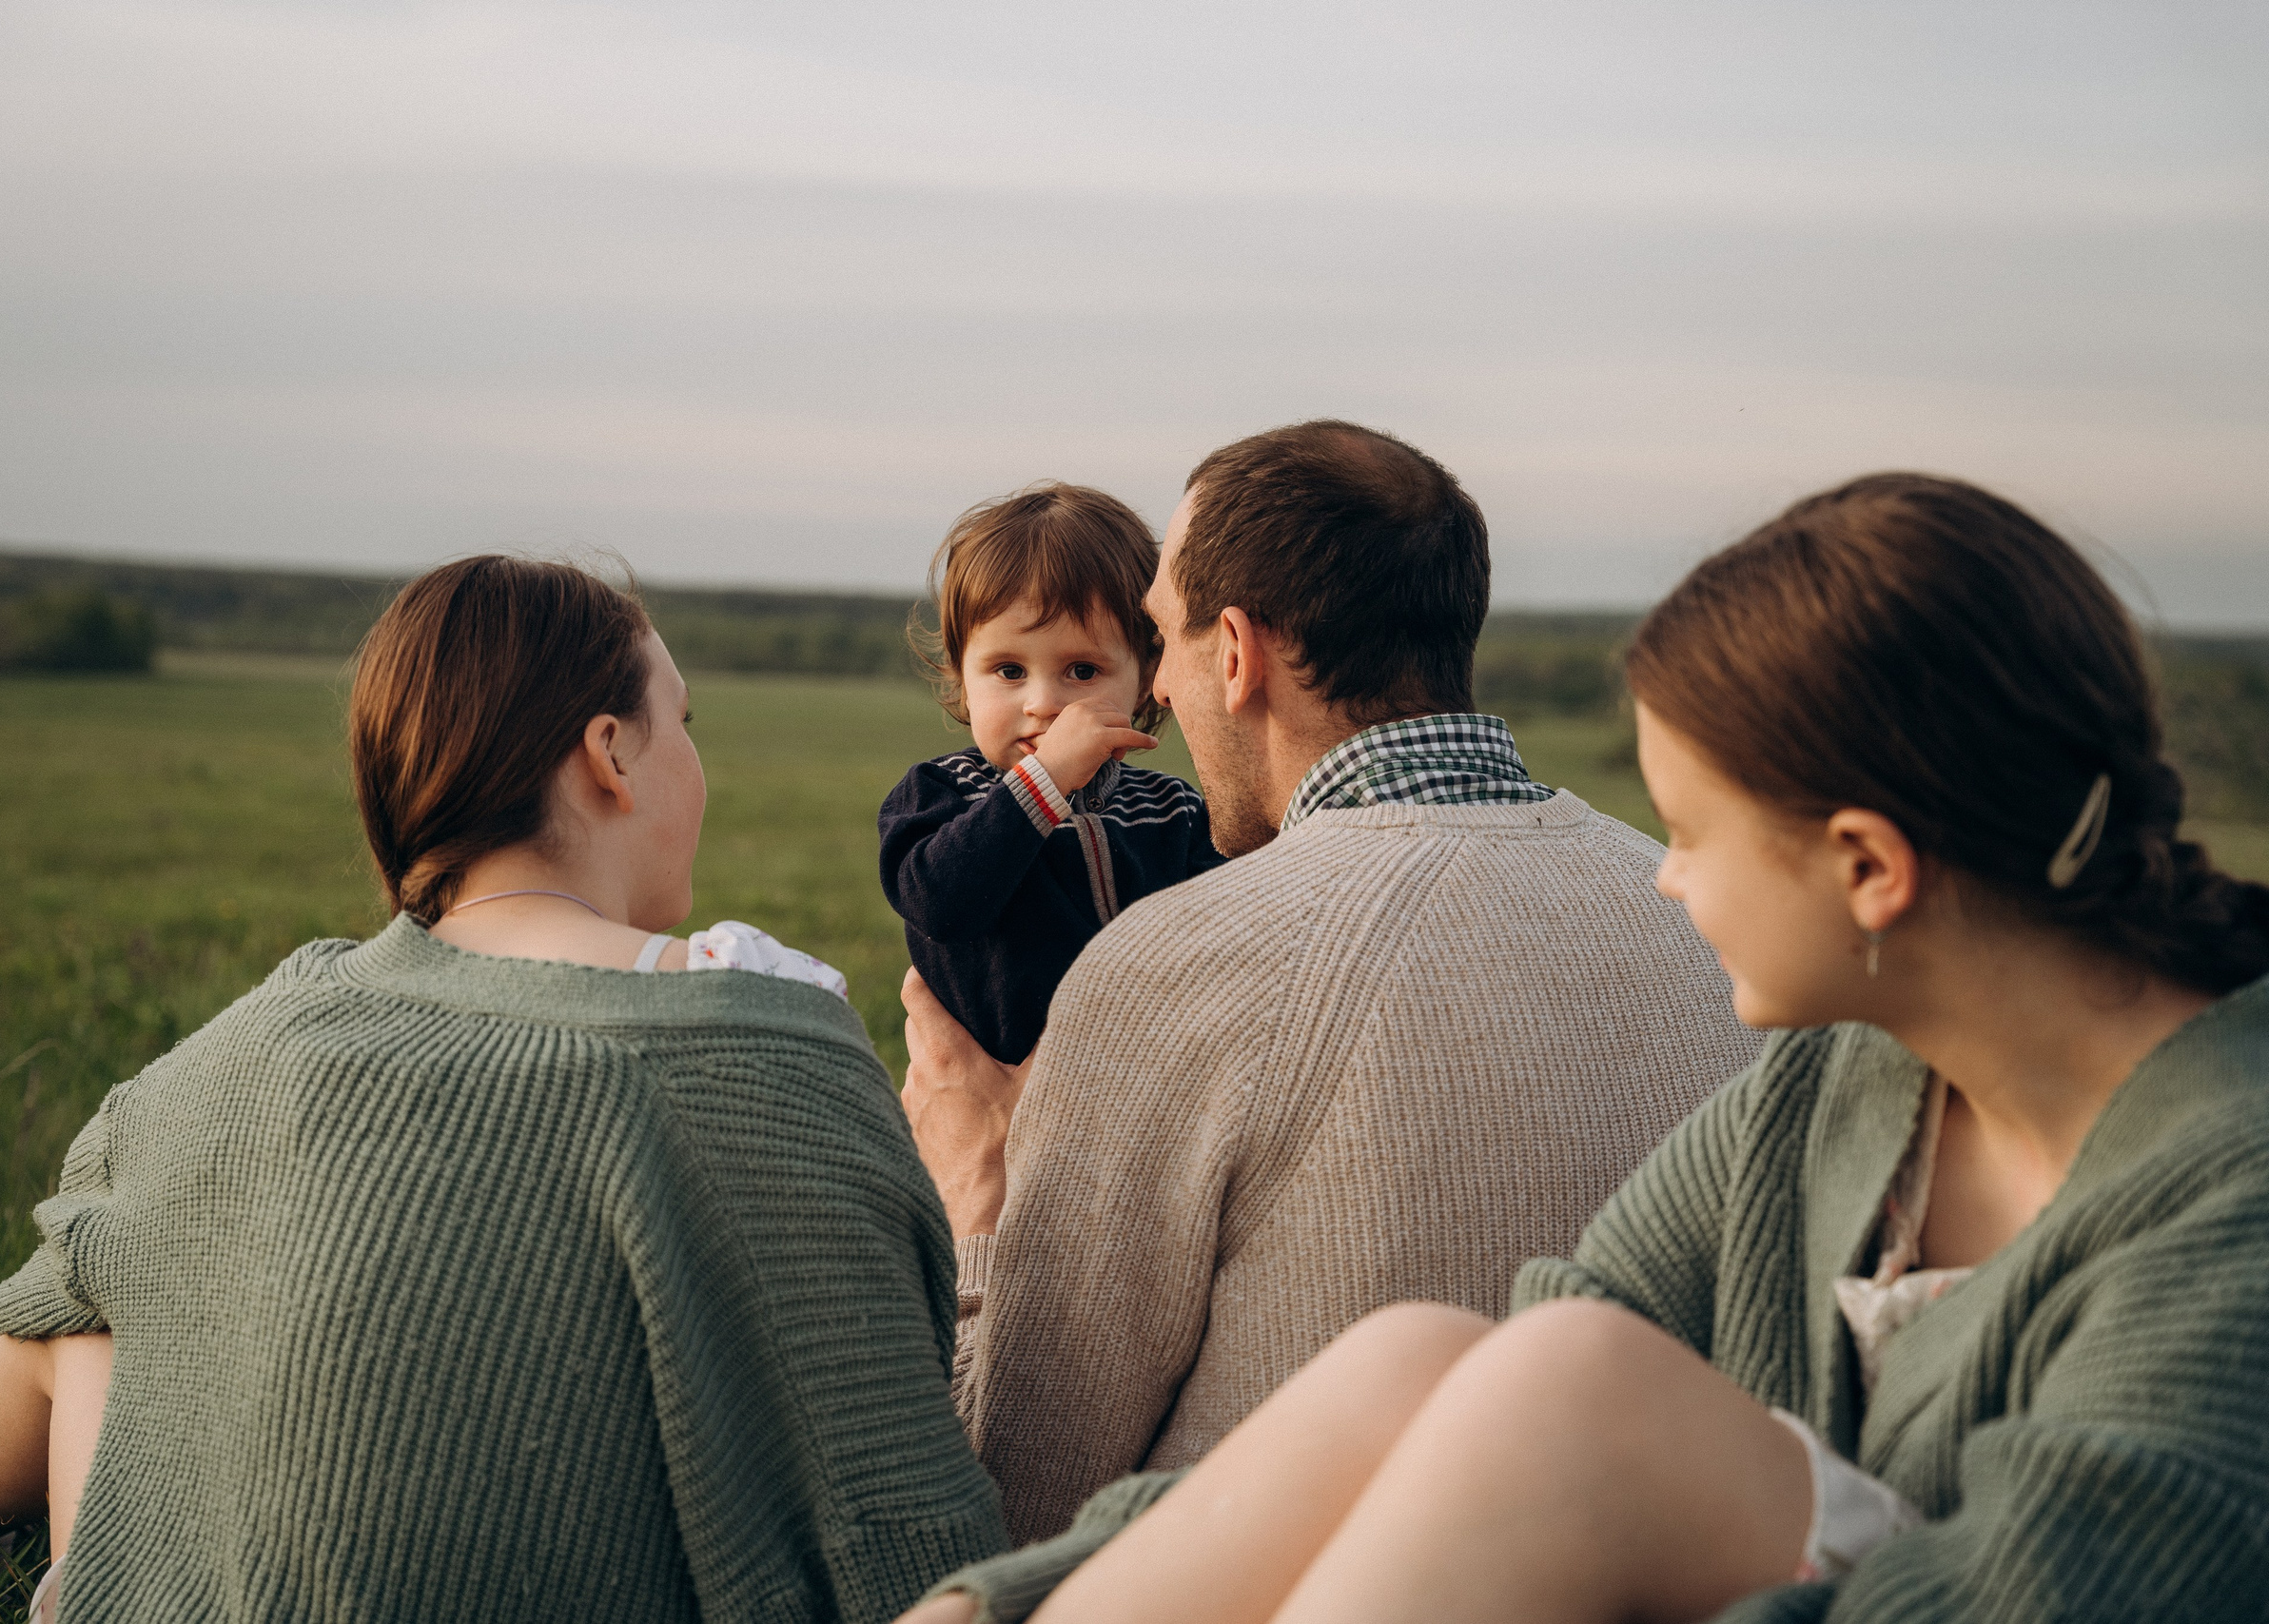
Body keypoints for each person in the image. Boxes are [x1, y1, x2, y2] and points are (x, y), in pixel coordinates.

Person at [906, 472, 2269, 1623]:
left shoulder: (2231, 1197)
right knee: (1431, 1350)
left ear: (1866, 866)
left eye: (1688, 830)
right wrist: (1003, 1597)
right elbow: (1538, 1336)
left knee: (1576, 1382)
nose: (1661, 878)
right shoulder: (1839, 1081)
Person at [0, 557, 1008, 1623]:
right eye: (681, 722)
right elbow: (890, 1506)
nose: (694, 758)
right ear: (607, 754)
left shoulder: (262, 1035)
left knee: (83, 1309)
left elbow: (75, 1265)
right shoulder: (773, 1046)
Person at [900, 421, 1761, 1542]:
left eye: (1162, 638)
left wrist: (978, 1200)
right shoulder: (1701, 915)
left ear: (1239, 654)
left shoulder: (1174, 964)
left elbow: (1017, 1495)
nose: (1155, 683)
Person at [881, 483, 1225, 1065]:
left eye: (1082, 670)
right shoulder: (941, 795)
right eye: (1009, 670)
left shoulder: (1173, 809)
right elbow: (941, 905)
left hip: (1143, 1092)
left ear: (1145, 678)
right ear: (962, 676)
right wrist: (1042, 783)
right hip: (993, 1101)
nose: (1043, 702)